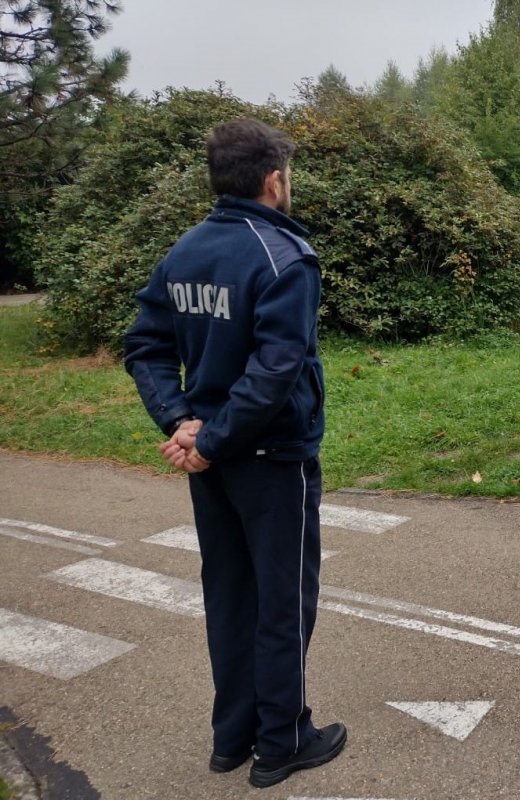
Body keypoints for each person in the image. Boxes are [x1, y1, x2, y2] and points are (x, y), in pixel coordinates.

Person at [124, 118, 346, 790]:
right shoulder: (285, 257)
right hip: (272, 459)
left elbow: (146, 347)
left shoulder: (183, 252)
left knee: (228, 595)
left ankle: (231, 738)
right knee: (281, 602)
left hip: (213, 459)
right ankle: (281, 742)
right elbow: (277, 372)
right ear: (274, 179)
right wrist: (208, 436)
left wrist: (185, 423)